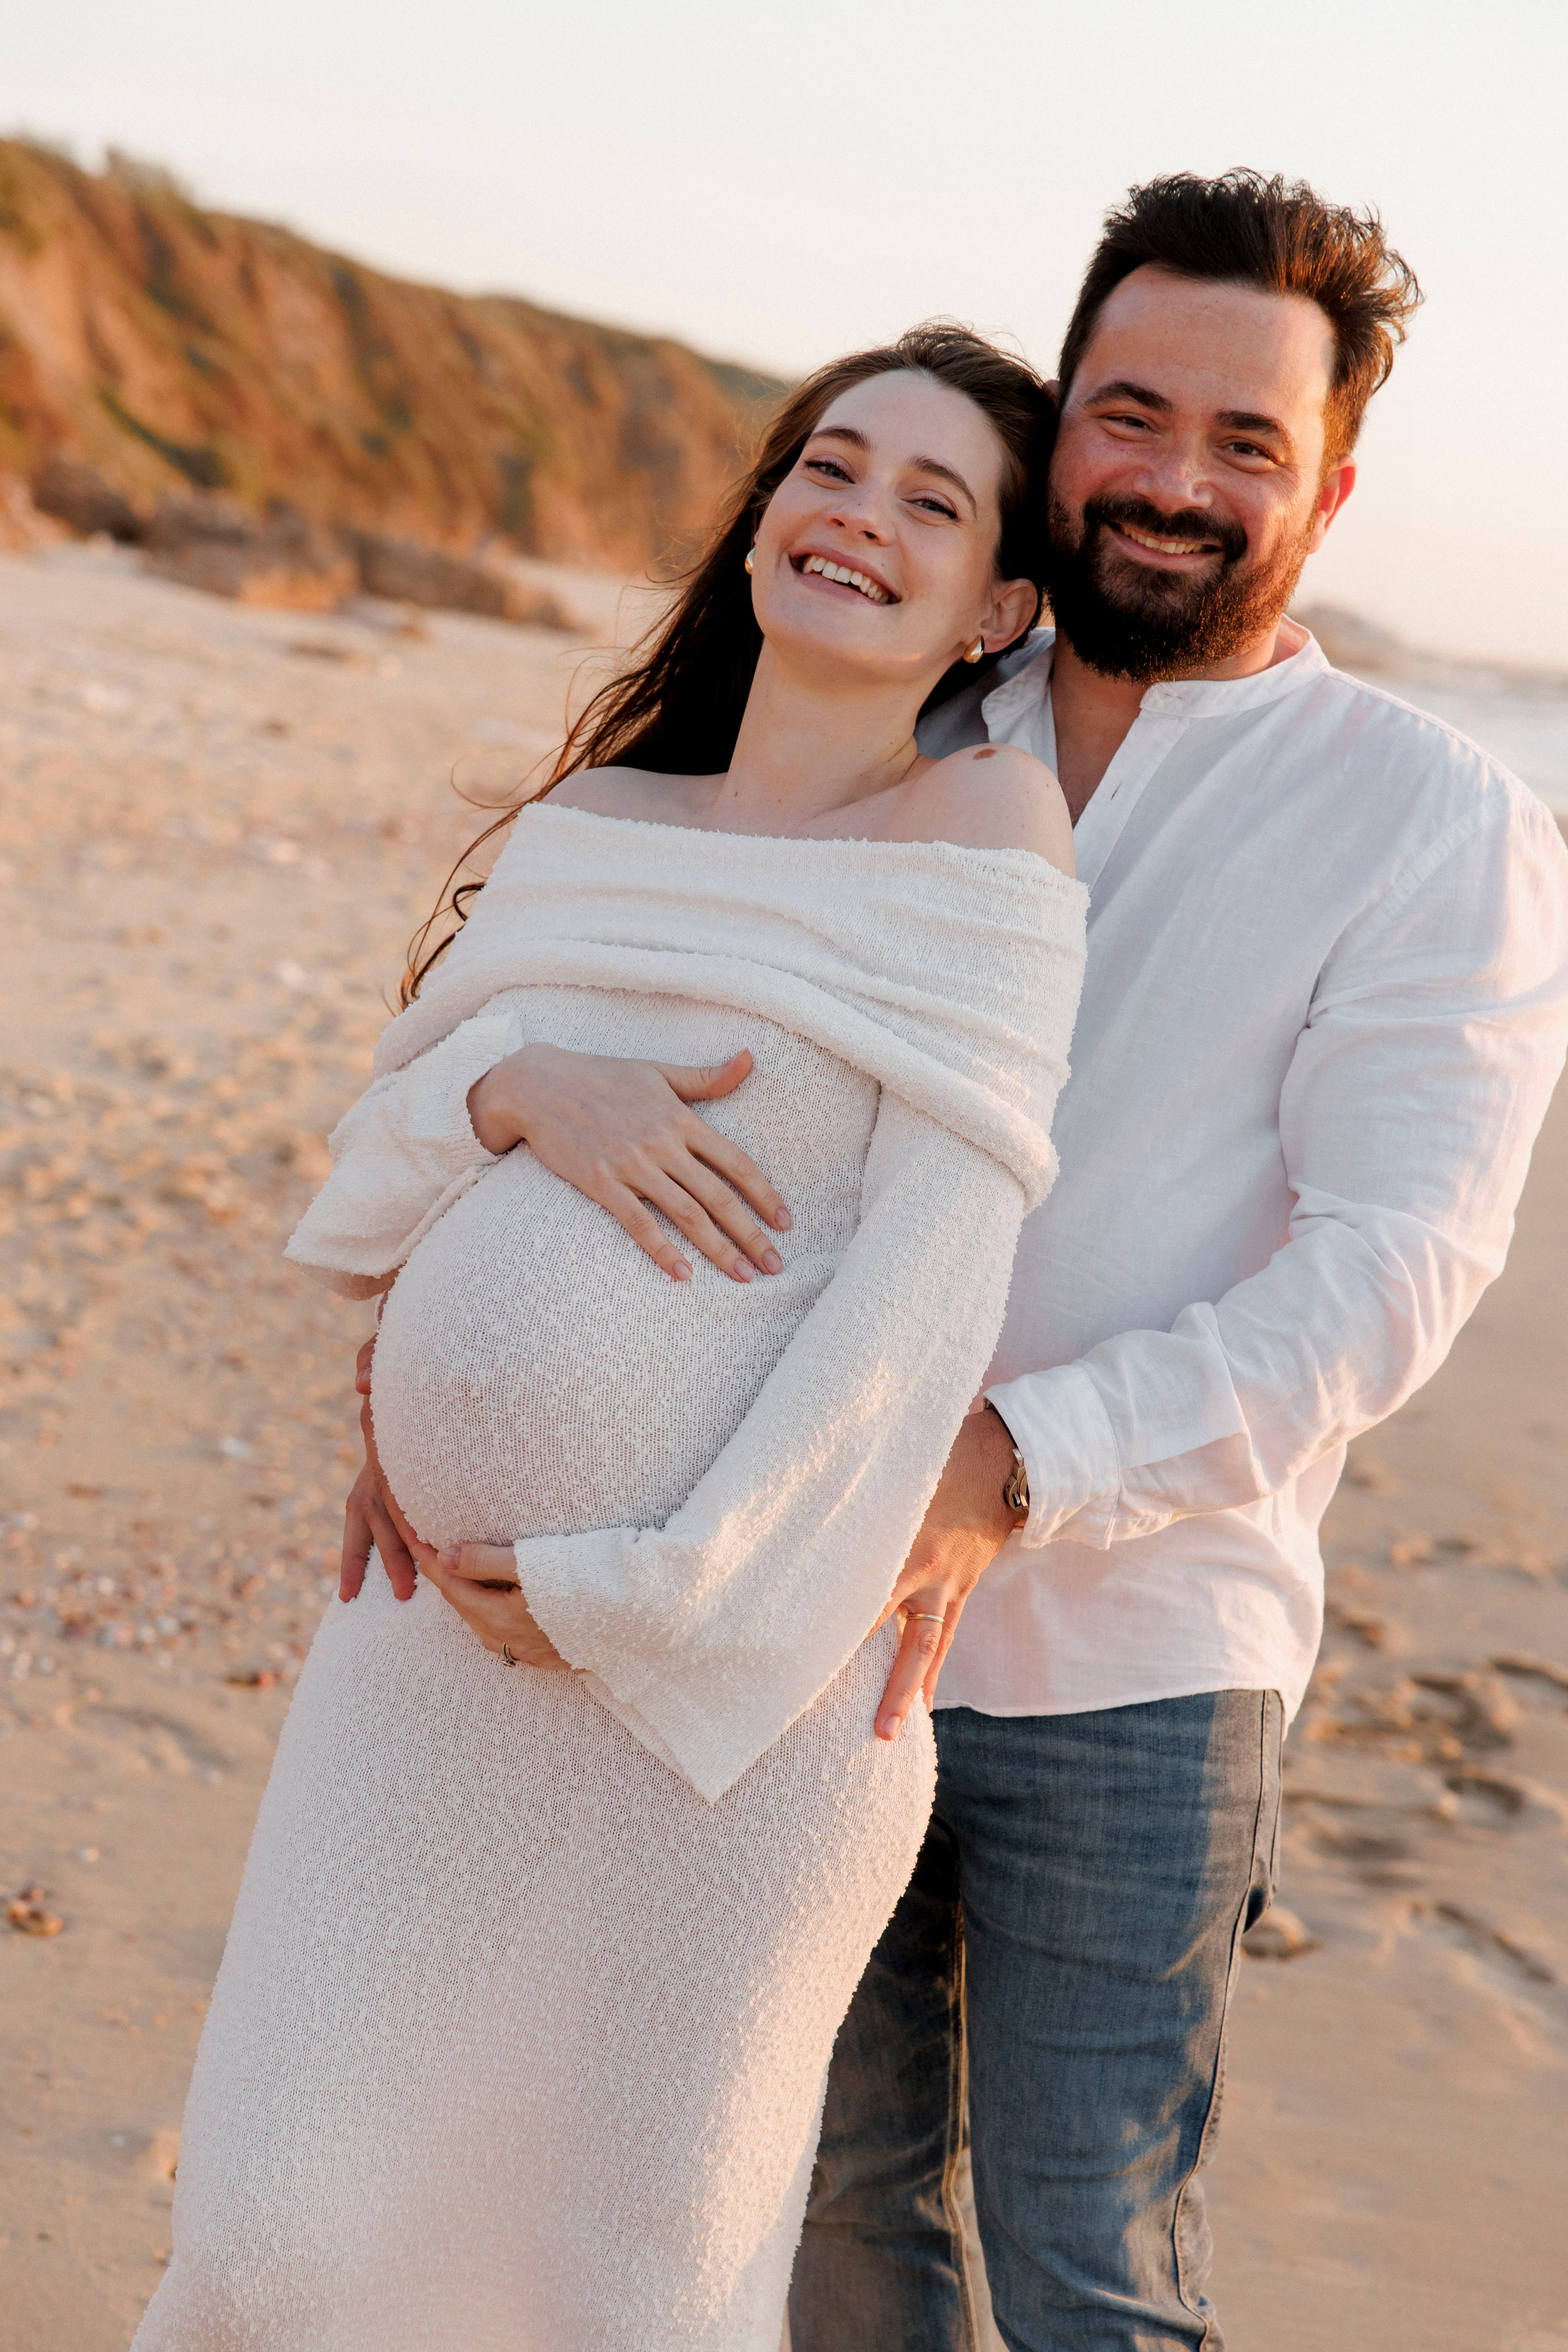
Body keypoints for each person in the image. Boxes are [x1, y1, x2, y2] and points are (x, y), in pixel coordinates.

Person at [343, 171, 1568, 2351]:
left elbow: (1387, 1278)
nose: (1175, 482)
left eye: (1247, 444)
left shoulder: (1432, 818)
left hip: (1133, 1657)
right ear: (1061, 426)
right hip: (752, 1618)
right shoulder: (901, 720)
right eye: (1128, 415)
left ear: (1337, 485)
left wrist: (1002, 1464)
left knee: (1093, 2268)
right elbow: (606, 1025)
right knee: (819, 2221)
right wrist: (448, 1362)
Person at [132, 326, 1087, 2352]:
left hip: (731, 1699)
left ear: (1003, 604)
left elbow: (928, 1289)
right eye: (834, 467)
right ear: (766, 512)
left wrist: (649, 1593)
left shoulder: (988, 839)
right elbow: (374, 1175)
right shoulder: (588, 821)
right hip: (430, 1658)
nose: (860, 517)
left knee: (620, 2294)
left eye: (935, 501)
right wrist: (522, 1088)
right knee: (279, 2244)